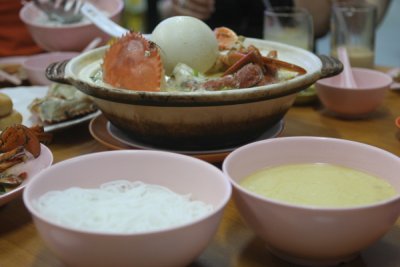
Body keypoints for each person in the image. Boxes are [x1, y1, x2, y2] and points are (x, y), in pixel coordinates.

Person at [147, 0, 391, 40]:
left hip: (295, 69)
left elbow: (361, 15)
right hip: (202, 67)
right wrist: (178, 7)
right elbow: (164, 8)